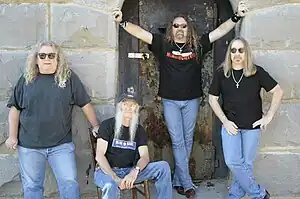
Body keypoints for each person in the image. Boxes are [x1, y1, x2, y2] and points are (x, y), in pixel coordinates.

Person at [112, 1, 249, 197]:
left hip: (191, 100)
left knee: (186, 140)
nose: (179, 29)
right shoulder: (162, 44)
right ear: (171, 29)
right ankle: (187, 184)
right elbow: (141, 33)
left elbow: (220, 31)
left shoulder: (198, 45)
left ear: (188, 29)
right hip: (170, 101)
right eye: (176, 26)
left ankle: (178, 179)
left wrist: (237, 17)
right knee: (177, 142)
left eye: (183, 26)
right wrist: (122, 22)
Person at [5, 41, 99, 199]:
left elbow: (85, 104)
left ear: (58, 58)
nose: (46, 58)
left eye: (51, 55)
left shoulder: (68, 78)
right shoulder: (26, 80)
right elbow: (15, 109)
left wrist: (96, 126)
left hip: (60, 145)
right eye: (42, 55)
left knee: (69, 183)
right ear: (36, 59)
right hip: (30, 146)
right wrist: (12, 136)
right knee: (32, 186)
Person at [208, 37, 284, 199]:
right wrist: (225, 121)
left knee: (246, 166)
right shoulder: (222, 73)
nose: (237, 54)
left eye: (241, 50)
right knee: (233, 162)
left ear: (246, 52)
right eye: (233, 50)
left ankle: (234, 195)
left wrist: (268, 116)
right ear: (229, 54)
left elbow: (278, 91)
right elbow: (212, 99)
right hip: (231, 127)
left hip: (252, 127)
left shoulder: (257, 72)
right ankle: (259, 194)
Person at [94, 88, 172, 199]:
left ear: (137, 108)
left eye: (133, 105)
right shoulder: (107, 125)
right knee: (109, 185)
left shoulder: (139, 130)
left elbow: (145, 157)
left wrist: (134, 171)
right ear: (119, 106)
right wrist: (114, 177)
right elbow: (99, 156)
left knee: (163, 167)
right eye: (125, 104)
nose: (129, 108)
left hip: (130, 170)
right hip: (107, 171)